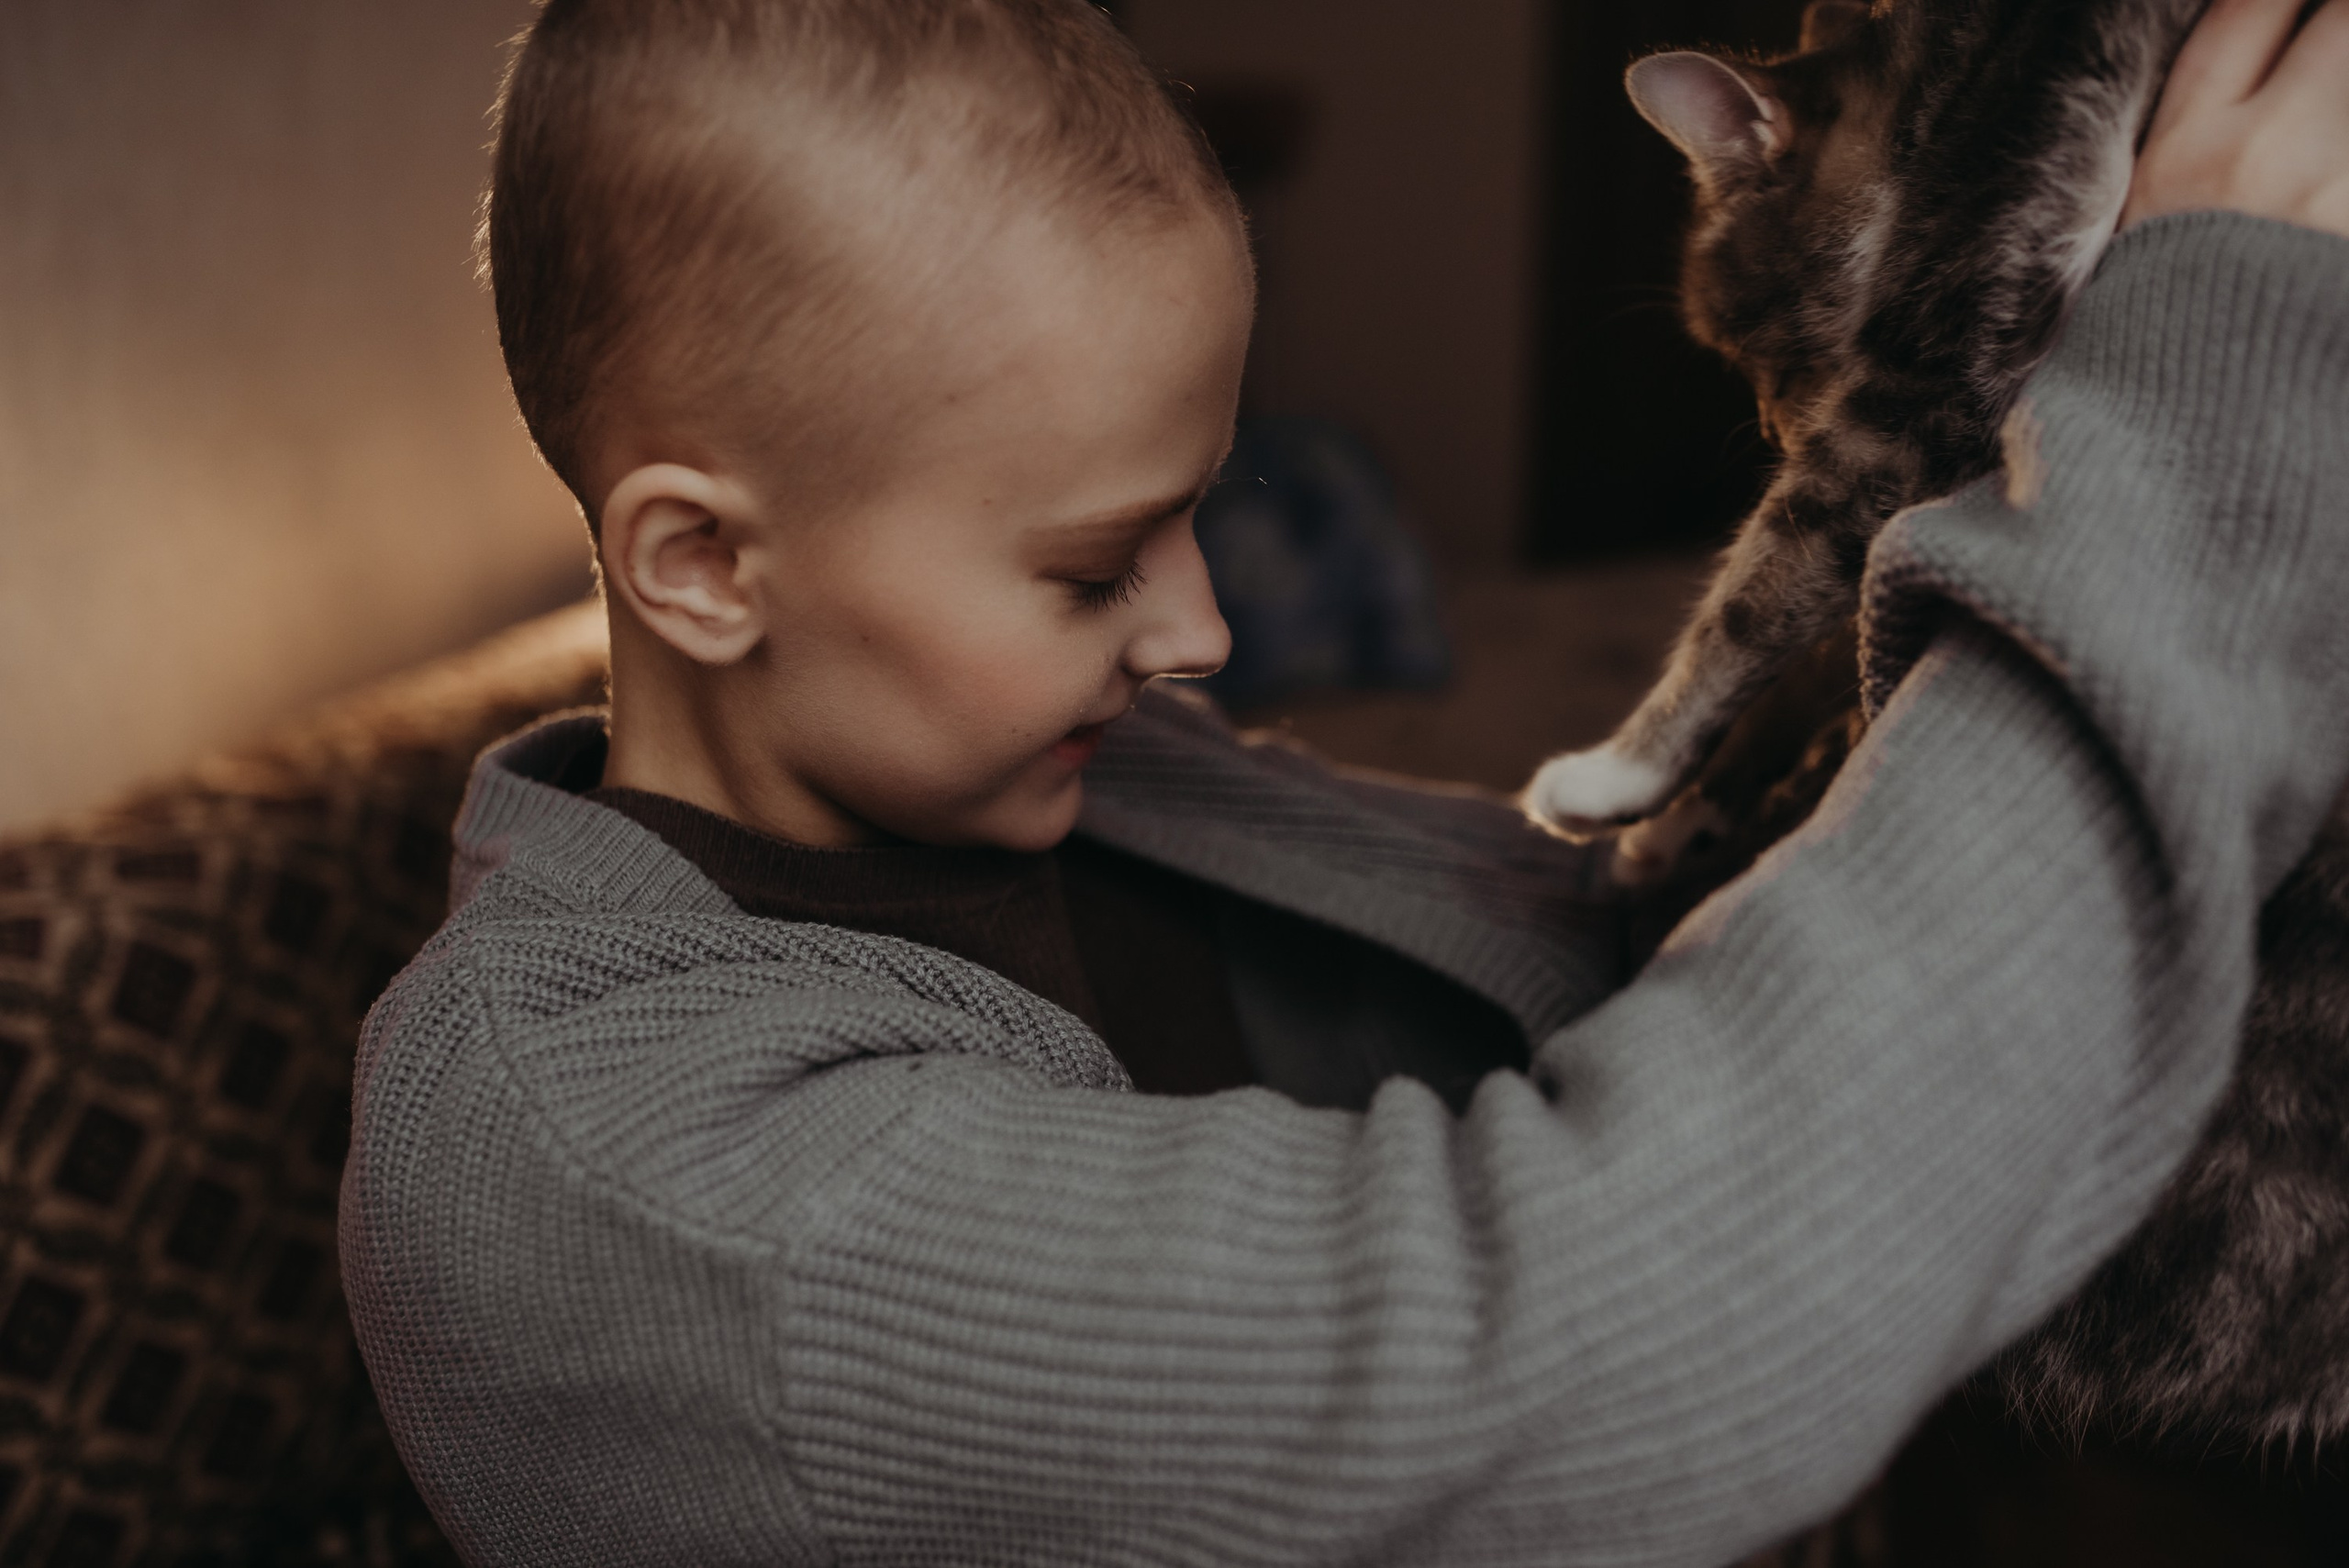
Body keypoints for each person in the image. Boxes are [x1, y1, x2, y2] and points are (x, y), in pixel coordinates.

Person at [340, 0, 2349, 1562]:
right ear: (699, 567)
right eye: (1085, 564)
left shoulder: (1057, 780)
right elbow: (1605, 1333)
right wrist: (2180, 441)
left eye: (1192, 515)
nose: (1198, 636)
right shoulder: (614, 1191)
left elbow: (1649, 952)